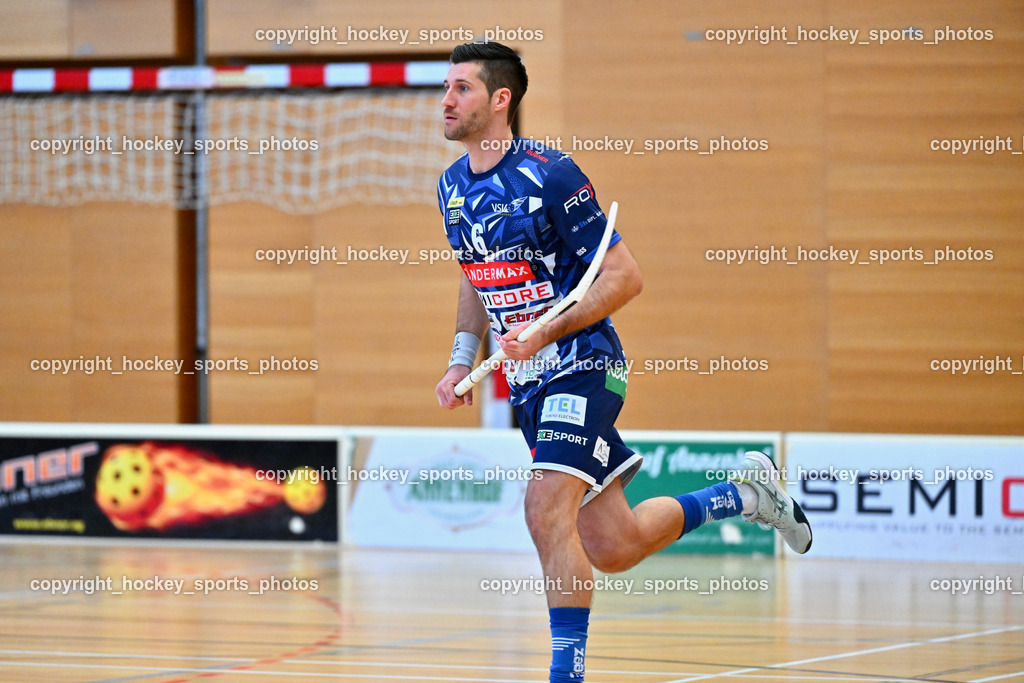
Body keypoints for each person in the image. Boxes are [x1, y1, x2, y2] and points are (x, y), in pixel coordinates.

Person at [433, 41, 812, 683]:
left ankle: (566, 674)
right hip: (527, 383)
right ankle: (747, 495)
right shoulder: (449, 188)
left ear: (501, 100)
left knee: (543, 507)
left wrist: (548, 326)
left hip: (584, 363)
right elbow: (474, 277)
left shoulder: (550, 174)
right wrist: (461, 356)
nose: (446, 100)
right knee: (616, 545)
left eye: (463, 88)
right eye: (446, 88)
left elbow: (625, 276)